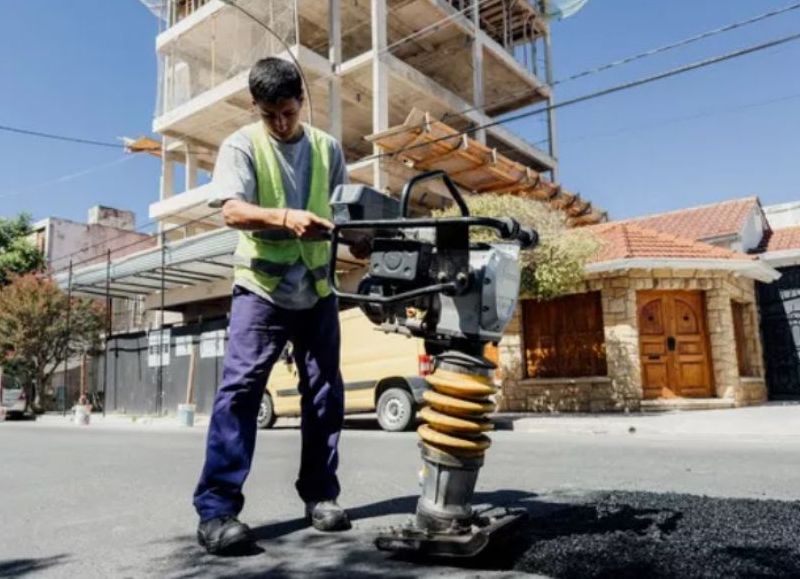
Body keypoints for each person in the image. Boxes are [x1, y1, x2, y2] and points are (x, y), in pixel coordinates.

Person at [193, 57, 352, 555]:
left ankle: (321, 495)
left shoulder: (328, 148)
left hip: (319, 289)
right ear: (255, 108)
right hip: (261, 289)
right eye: (271, 115)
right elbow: (232, 210)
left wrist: (362, 239)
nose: (281, 124)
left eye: (288, 112)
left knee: (325, 392)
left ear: (301, 101)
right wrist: (284, 217)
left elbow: (346, 210)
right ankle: (217, 511)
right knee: (240, 392)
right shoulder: (242, 144)